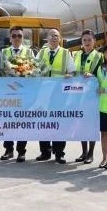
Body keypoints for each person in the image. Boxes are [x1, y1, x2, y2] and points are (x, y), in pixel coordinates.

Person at [35, 28, 75, 163]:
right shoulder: (41, 53)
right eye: (51, 36)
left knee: (59, 123)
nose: (54, 38)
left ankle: (59, 153)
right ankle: (45, 152)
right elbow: (34, 70)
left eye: (56, 36)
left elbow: (73, 71)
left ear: (60, 38)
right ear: (47, 38)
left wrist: (69, 75)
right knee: (44, 123)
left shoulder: (65, 53)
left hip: (59, 95)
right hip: (44, 94)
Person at [0, 26, 34, 162]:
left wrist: (23, 78)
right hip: (8, 92)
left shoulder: (29, 52)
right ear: (10, 37)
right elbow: (1, 70)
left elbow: (33, 69)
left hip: (23, 93)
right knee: (8, 122)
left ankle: (21, 151)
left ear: (23, 37)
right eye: (14, 36)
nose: (17, 38)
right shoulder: (4, 52)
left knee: (22, 122)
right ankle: (8, 149)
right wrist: (9, 83)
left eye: (19, 36)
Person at [73, 29, 102, 164]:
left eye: (89, 40)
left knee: (91, 124)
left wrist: (93, 76)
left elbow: (102, 75)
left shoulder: (99, 56)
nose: (87, 43)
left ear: (94, 41)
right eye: (84, 40)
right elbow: (73, 71)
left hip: (92, 95)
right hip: (78, 94)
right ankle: (83, 152)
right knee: (80, 124)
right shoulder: (77, 55)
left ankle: (91, 153)